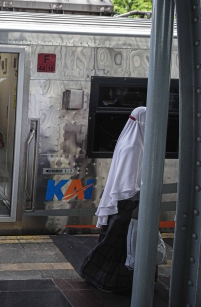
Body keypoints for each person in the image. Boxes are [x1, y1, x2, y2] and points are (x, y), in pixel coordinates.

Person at [80, 107, 145, 293]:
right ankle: (106, 279)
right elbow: (130, 180)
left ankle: (99, 276)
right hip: (127, 200)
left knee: (116, 240)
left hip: (120, 199)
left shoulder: (128, 139)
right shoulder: (135, 145)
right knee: (120, 243)